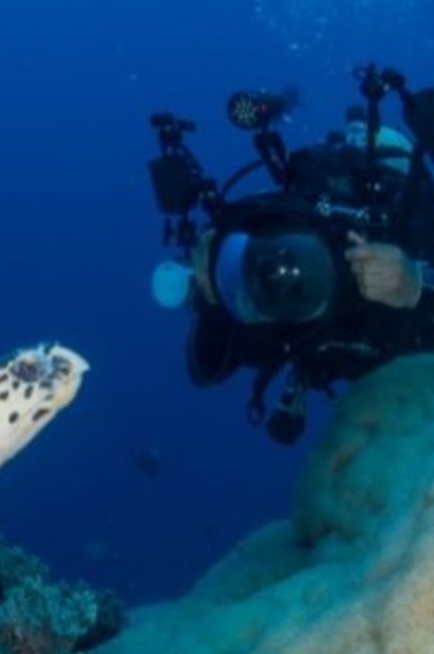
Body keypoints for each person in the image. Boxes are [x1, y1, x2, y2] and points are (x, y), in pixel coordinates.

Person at [148, 68, 434, 442]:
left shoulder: (412, 226)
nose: (286, 272)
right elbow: (207, 367)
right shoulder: (270, 295)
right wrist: (213, 291)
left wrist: (416, 287)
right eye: (284, 254)